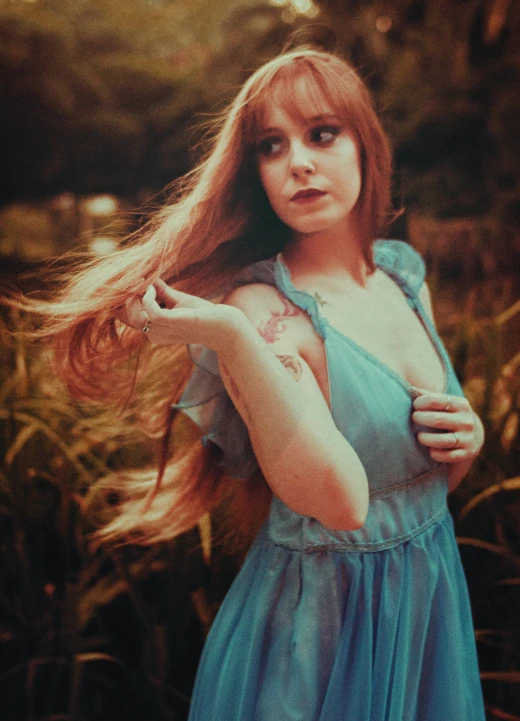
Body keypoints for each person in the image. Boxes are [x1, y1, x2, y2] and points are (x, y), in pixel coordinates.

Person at [14, 46, 486, 720]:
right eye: (272, 145)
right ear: (255, 172)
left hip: (424, 615)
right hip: (319, 641)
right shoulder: (262, 314)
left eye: (322, 133)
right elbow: (346, 504)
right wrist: (232, 339)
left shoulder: (403, 278)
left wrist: (468, 436)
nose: (298, 160)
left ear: (365, 144)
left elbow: (417, 489)